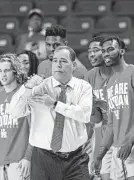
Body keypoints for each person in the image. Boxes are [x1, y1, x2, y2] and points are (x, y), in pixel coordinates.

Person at [9, 46, 93, 180]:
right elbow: (14, 112)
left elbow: (84, 114)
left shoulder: (84, 87)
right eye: (55, 60)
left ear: (74, 65)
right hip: (43, 159)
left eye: (63, 61)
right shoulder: (38, 87)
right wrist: (27, 88)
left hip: (76, 159)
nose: (58, 65)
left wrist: (54, 104)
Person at [0, 53, 32, 180]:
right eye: (0, 71)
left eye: (6, 70)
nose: (3, 74)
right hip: (1, 161)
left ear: (15, 71)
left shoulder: (25, 94)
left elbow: (34, 131)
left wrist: (28, 157)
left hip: (20, 162)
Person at [94, 36, 134, 180]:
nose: (106, 54)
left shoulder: (132, 73)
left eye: (111, 49)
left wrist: (130, 142)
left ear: (122, 51)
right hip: (118, 148)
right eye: (103, 51)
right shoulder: (110, 83)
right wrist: (100, 156)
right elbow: (111, 124)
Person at [84, 36, 113, 179]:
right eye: (89, 51)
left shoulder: (121, 73)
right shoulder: (90, 76)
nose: (91, 54)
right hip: (104, 135)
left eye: (96, 50)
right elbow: (97, 118)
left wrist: (100, 103)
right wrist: (89, 108)